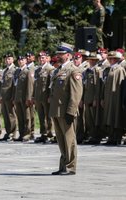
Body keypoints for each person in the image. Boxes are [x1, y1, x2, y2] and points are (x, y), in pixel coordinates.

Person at [49, 42, 83, 175]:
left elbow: (76, 93)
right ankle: (63, 165)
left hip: (66, 111)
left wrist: (71, 111)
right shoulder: (58, 70)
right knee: (61, 140)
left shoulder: (73, 70)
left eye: (61, 54)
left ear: (68, 55)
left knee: (69, 140)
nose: (59, 56)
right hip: (56, 110)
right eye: (58, 54)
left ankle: (70, 167)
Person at [101, 51, 126, 145]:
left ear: (116, 59)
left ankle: (117, 137)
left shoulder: (119, 69)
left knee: (115, 117)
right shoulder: (108, 69)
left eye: (112, 58)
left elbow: (121, 85)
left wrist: (120, 98)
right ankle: (111, 137)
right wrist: (103, 98)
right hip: (108, 97)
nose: (111, 60)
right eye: (110, 58)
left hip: (116, 97)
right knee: (109, 117)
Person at [34, 51, 54, 143]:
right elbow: (35, 85)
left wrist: (50, 96)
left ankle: (50, 133)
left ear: (47, 58)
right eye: (39, 58)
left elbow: (51, 84)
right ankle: (43, 133)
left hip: (46, 97)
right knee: (41, 116)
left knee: (48, 116)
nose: (41, 59)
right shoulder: (37, 70)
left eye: (43, 58)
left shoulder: (50, 69)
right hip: (38, 97)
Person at [13, 55, 34, 142]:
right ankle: (21, 134)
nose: (20, 61)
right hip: (18, 97)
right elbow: (15, 85)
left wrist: (28, 98)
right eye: (19, 60)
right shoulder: (17, 71)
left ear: (25, 61)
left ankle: (27, 134)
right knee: (20, 117)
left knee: (27, 117)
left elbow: (30, 86)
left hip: (24, 97)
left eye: (22, 60)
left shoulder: (27, 71)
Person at [0, 52, 17, 141]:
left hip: (10, 96)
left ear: (13, 60)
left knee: (11, 115)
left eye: (9, 59)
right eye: (6, 59)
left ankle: (13, 134)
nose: (7, 60)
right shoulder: (5, 70)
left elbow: (14, 85)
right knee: (5, 116)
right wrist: (0, 96)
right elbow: (2, 85)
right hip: (4, 96)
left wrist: (13, 97)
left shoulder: (15, 70)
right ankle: (8, 132)